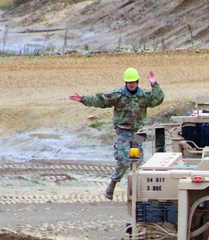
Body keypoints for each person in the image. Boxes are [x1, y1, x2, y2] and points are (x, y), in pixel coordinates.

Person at [70, 68, 165, 200]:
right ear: (125, 83)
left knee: (138, 162)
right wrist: (83, 99)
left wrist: (154, 84)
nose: (131, 84)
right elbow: (101, 99)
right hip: (123, 131)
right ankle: (113, 184)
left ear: (137, 82)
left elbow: (158, 99)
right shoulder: (118, 94)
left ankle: (136, 192)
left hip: (139, 132)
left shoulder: (143, 96)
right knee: (124, 159)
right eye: (129, 82)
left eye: (133, 82)